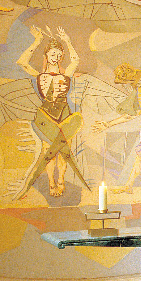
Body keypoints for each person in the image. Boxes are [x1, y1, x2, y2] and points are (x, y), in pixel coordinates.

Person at [14, 26, 91, 199]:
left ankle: (61, 180)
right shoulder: (39, 75)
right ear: (46, 55)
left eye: (59, 54)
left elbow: (75, 60)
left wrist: (68, 41)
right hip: (46, 115)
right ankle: (51, 182)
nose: (55, 57)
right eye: (52, 54)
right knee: (48, 150)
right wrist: (37, 40)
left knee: (63, 150)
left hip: (64, 114)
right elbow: (22, 62)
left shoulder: (67, 74)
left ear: (61, 57)